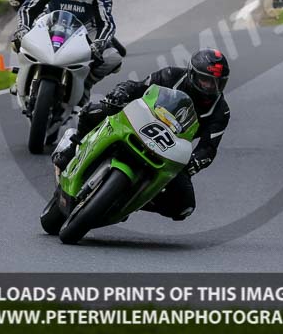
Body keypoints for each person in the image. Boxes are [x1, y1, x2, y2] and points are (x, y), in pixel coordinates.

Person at [54, 48, 231, 221]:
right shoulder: (171, 75)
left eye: (217, 83)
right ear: (192, 74)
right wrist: (121, 92)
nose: (210, 87)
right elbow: (138, 87)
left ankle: (135, 200)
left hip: (171, 147)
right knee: (93, 111)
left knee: (184, 207)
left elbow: (208, 147)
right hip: (142, 121)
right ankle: (72, 148)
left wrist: (196, 161)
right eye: (205, 80)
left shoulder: (221, 111)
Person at [11, 0, 121, 101]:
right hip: (51, 21)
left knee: (113, 59)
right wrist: (23, 28)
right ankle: (23, 74)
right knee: (19, 39)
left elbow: (107, 22)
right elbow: (28, 9)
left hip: (85, 28)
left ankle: (85, 84)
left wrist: (100, 43)